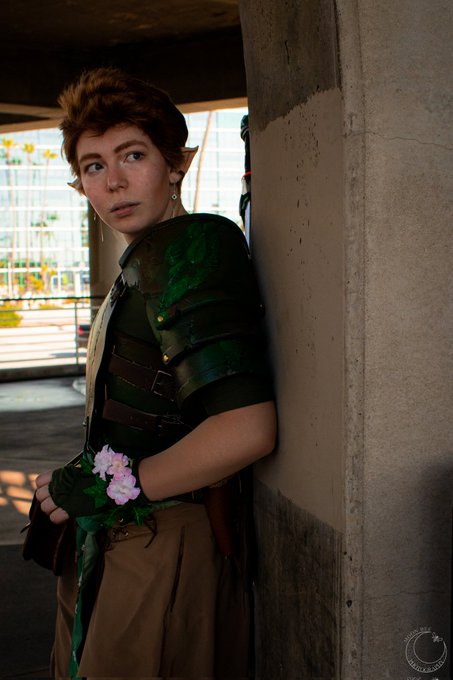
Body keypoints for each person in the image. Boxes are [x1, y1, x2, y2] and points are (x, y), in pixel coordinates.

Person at [35, 67, 276, 680]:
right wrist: (79, 482)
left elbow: (247, 428)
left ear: (176, 163)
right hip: (120, 537)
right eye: (94, 166)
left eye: (133, 155)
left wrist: (108, 486)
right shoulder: (145, 260)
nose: (114, 181)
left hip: (164, 541)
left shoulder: (191, 250)